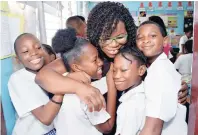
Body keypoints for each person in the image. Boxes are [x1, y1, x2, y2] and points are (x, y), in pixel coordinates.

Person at [35, 2, 188, 134]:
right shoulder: (88, 52)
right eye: (106, 37)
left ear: (129, 32)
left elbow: (160, 71)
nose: (114, 44)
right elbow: (43, 76)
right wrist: (79, 88)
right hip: (98, 126)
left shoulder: (134, 52)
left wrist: (178, 87)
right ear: (95, 35)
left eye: (120, 37)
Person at [52, 28, 116, 135]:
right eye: (94, 60)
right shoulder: (87, 95)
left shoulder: (61, 81)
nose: (100, 62)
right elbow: (107, 127)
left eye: (99, 57)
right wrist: (112, 86)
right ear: (76, 67)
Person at [136, 21, 187, 135]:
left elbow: (153, 128)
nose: (146, 40)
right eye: (140, 38)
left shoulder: (159, 72)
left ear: (165, 41)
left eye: (152, 36)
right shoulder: (155, 67)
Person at [8, 33, 63, 135]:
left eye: (38, 47)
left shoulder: (47, 72)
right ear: (18, 59)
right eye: (25, 51)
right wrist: (63, 88)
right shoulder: (18, 78)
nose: (34, 53)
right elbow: (45, 117)